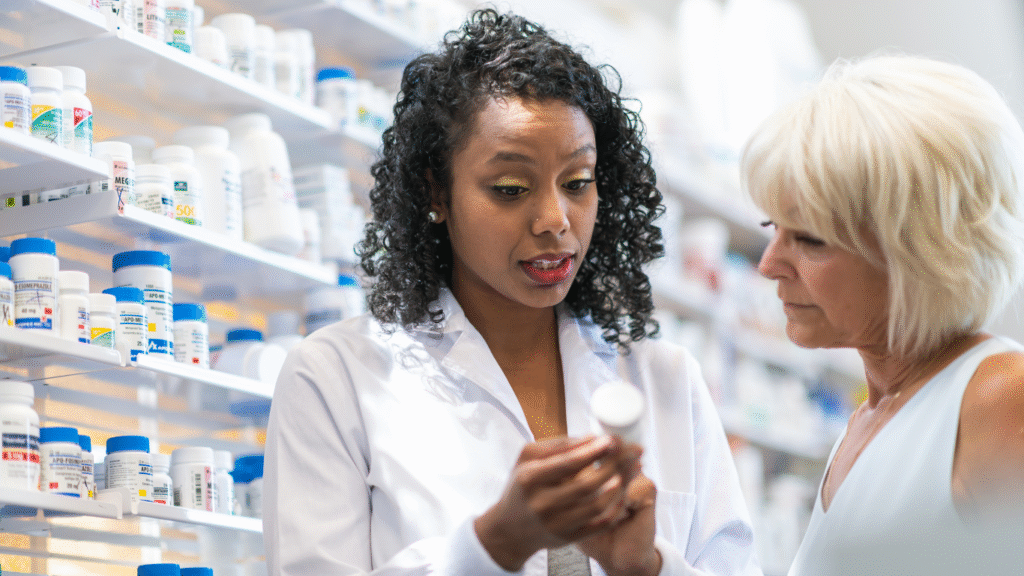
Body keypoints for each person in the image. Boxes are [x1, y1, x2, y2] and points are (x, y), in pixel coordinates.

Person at [264, 8, 760, 576]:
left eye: (577, 183)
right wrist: (491, 545)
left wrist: (646, 566)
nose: (555, 219)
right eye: (510, 188)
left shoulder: (667, 381)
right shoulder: (335, 378)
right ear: (437, 192)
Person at [741, 54, 1024, 575]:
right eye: (772, 228)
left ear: (924, 251)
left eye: (809, 238)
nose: (769, 264)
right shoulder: (868, 421)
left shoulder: (1000, 399)